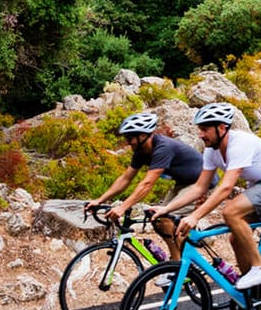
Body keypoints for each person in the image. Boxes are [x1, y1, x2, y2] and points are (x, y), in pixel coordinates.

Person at [153, 101, 261, 293]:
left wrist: (195, 216)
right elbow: (199, 187)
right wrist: (166, 209)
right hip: (259, 184)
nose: (200, 134)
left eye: (205, 129)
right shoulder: (211, 152)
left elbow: (226, 188)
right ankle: (250, 295)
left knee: (230, 211)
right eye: (199, 129)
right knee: (235, 238)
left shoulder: (239, 143)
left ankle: (260, 268)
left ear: (222, 128)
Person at [84, 111, 204, 264]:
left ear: (142, 136)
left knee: (164, 218)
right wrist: (99, 200)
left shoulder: (163, 148)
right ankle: (178, 262)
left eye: (130, 138)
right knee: (158, 218)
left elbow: (147, 184)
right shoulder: (140, 151)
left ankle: (177, 264)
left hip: (201, 183)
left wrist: (123, 207)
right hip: (183, 183)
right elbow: (126, 178)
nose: (128, 142)